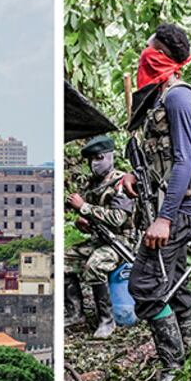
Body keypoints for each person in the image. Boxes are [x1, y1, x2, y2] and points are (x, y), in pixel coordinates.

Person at [120, 24, 191, 381]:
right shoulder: (157, 99)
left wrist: (164, 218)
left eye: (150, 50)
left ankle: (173, 369)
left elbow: (185, 162)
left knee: (145, 288)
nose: (144, 55)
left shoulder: (177, 99)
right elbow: (162, 159)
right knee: (176, 285)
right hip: (170, 208)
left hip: (181, 212)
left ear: (163, 57)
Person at [65, 134, 135, 338]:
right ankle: (74, 312)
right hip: (100, 239)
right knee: (63, 260)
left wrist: (84, 208)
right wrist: (83, 222)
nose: (93, 164)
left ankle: (106, 320)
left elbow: (118, 219)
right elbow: (91, 217)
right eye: (90, 160)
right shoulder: (92, 184)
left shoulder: (121, 183)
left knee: (95, 265)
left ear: (109, 157)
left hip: (120, 242)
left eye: (98, 158)